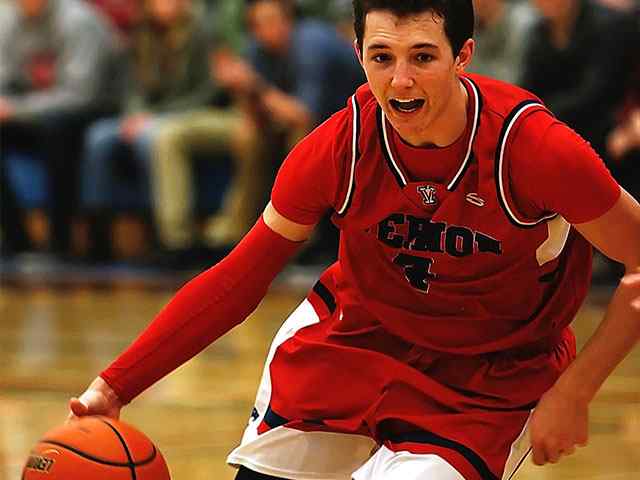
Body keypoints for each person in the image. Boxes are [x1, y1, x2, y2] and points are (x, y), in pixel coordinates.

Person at [68, 1, 640, 479]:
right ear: (358, 53)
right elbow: (239, 279)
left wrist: (576, 390)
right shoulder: (339, 146)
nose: (400, 80)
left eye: (423, 57)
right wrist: (115, 386)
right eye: (381, 57)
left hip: (490, 373)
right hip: (356, 339)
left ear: (463, 55)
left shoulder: (535, 149)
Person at [0, 0, 124, 257]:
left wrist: (16, 109)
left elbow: (81, 95)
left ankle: (61, 242)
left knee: (57, 131)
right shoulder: (9, 21)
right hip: (37, 110)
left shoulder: (78, 20)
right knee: (47, 126)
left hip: (96, 109)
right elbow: (5, 78)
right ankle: (16, 238)